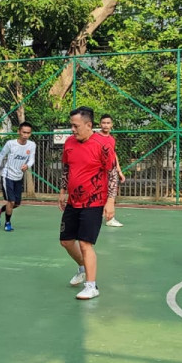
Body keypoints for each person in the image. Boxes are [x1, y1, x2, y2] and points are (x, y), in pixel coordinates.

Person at [59, 106, 114, 300]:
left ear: (88, 125)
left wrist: (111, 201)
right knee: (66, 241)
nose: (73, 130)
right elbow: (67, 168)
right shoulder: (69, 143)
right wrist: (63, 191)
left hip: (94, 201)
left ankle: (92, 286)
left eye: (76, 126)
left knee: (85, 243)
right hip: (73, 201)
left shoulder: (102, 144)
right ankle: (82, 268)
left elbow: (112, 172)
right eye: (71, 126)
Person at [0, 121, 37, 231]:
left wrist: (28, 165)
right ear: (19, 132)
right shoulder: (10, 144)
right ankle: (7, 223)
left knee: (16, 204)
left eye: (28, 133)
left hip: (19, 177)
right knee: (11, 201)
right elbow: (0, 157)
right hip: (7, 176)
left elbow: (32, 159)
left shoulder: (32, 145)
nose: (25, 135)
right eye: (24, 132)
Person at [97, 114, 125, 226]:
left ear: (111, 125)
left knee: (112, 193)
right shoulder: (95, 138)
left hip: (111, 170)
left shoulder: (112, 139)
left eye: (108, 123)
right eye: (103, 123)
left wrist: (119, 171)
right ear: (100, 124)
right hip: (99, 170)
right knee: (99, 193)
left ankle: (110, 219)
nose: (106, 125)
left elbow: (113, 155)